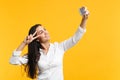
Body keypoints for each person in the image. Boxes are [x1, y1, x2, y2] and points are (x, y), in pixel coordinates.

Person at [9, 7, 89, 80]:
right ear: (36, 39)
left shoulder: (59, 48)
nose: (45, 32)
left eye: (45, 29)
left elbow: (75, 38)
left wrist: (84, 19)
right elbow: (13, 60)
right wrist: (24, 43)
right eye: (41, 32)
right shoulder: (34, 54)